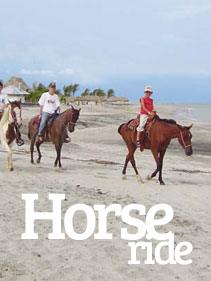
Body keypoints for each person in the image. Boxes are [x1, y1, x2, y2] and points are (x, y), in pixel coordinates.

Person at [136, 85, 154, 151]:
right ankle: (138, 139)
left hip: (150, 113)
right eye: (147, 92)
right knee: (141, 125)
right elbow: (143, 107)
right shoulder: (142, 99)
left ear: (151, 93)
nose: (148, 93)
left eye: (149, 92)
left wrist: (152, 112)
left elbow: (152, 107)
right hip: (144, 114)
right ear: (145, 92)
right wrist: (148, 113)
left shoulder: (151, 100)